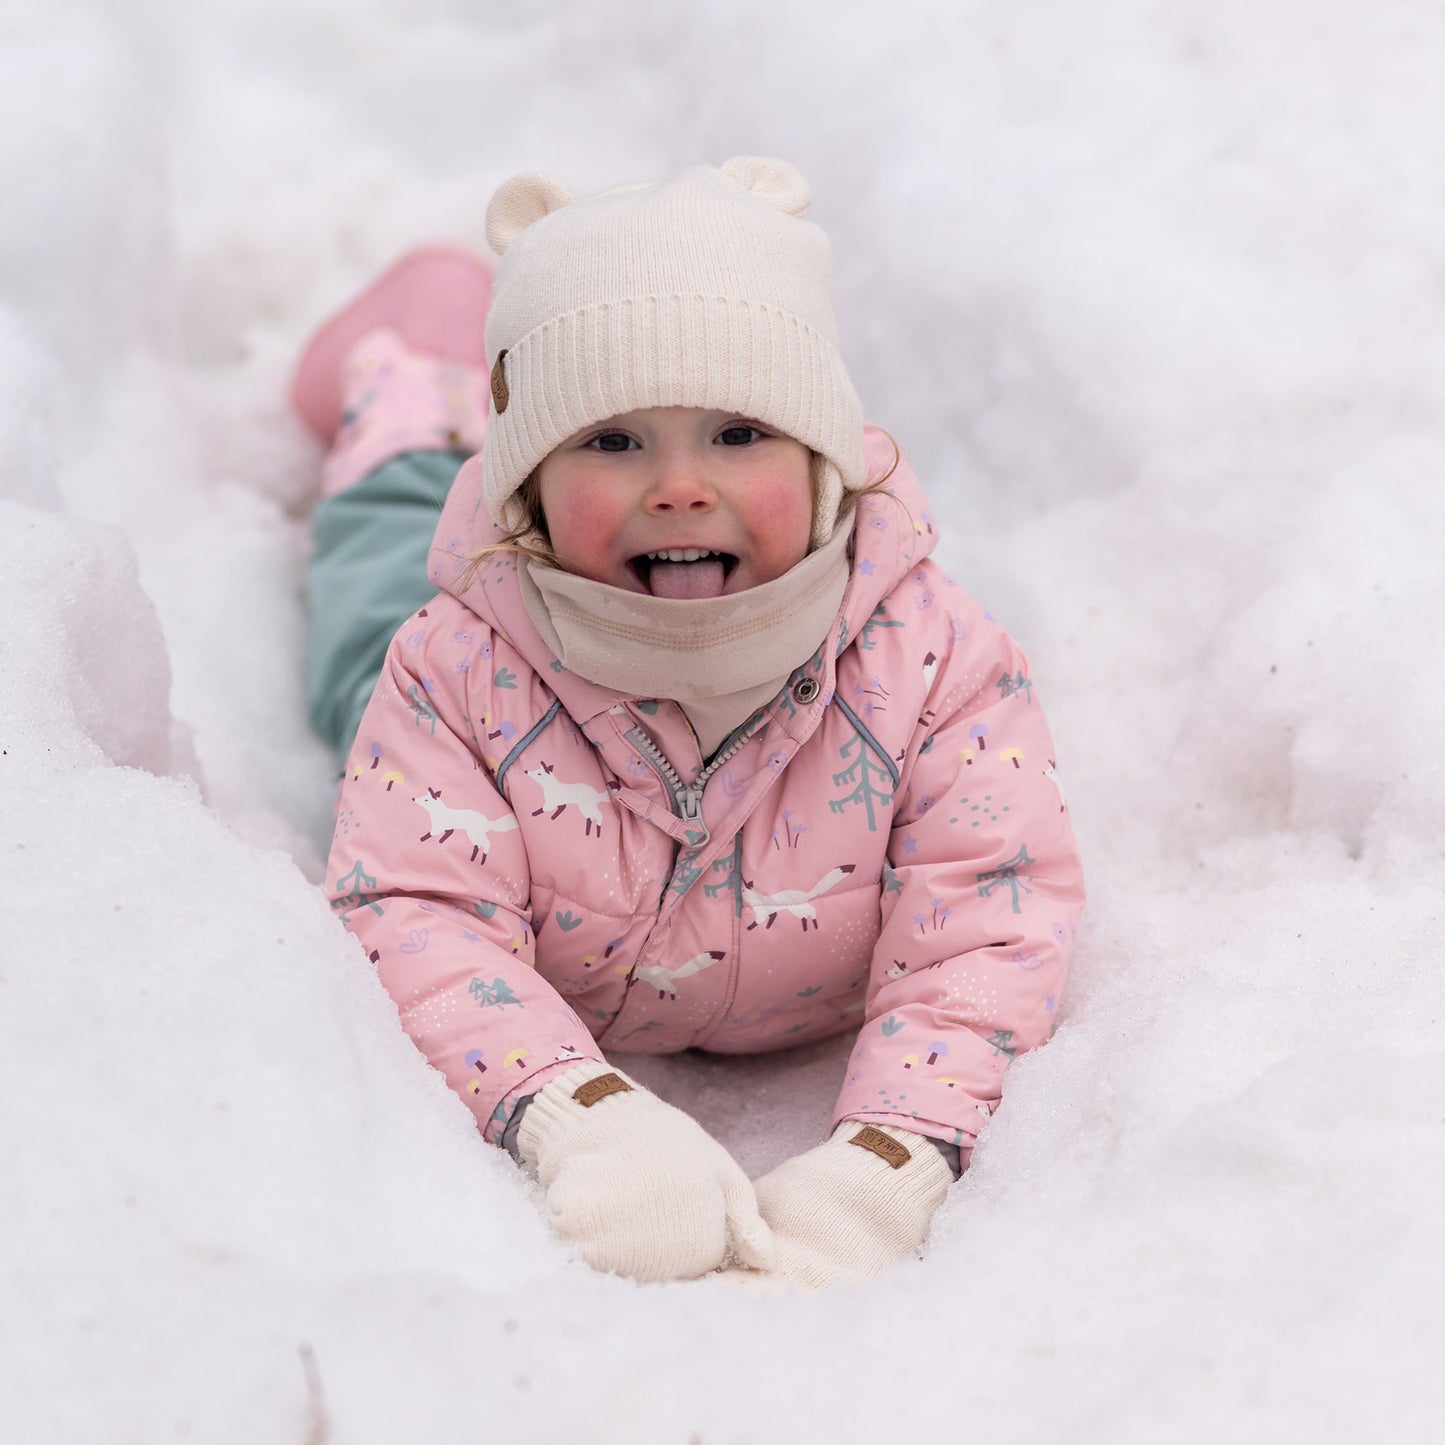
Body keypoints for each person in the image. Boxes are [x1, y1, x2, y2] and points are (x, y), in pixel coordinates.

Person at [295, 157, 1085, 1290]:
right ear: (530, 483)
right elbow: (417, 903)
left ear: (820, 457)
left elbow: (991, 911)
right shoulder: (448, 663)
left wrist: (891, 1155)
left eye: (736, 432)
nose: (676, 486)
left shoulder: (930, 659)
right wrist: (576, 1112)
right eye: (610, 440)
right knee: (372, 579)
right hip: (489, 626)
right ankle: (408, 377)